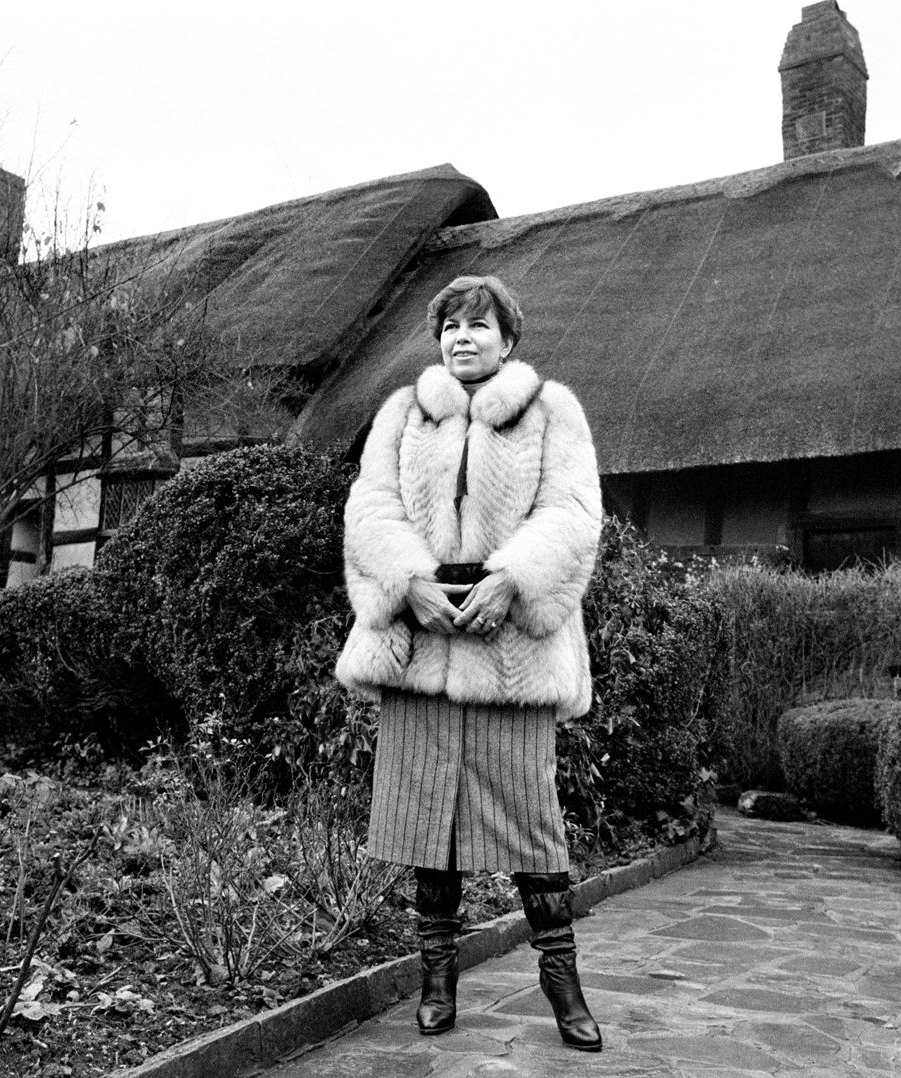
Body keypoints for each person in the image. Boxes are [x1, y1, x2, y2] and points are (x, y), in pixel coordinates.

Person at [335, 274, 604, 1051]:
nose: (463, 337)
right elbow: (369, 508)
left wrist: (512, 579)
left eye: (479, 325)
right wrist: (408, 581)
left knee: (532, 825)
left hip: (510, 652)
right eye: (451, 325)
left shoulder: (552, 411)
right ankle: (436, 980)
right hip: (421, 648)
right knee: (429, 826)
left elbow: (572, 513)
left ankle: (562, 982)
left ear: (508, 339)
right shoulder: (401, 414)